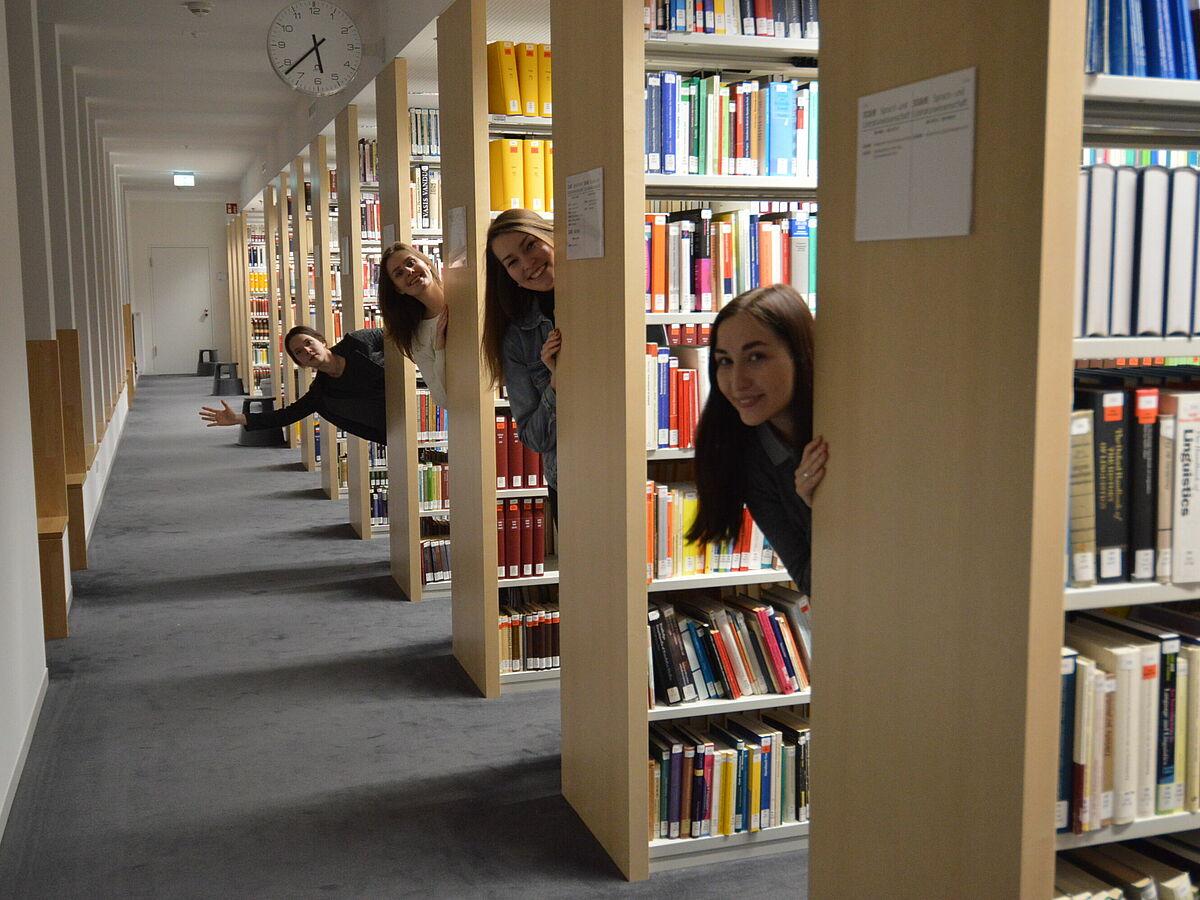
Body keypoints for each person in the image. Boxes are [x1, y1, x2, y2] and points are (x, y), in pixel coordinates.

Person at [687, 283, 828, 594]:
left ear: (800, 355)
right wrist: (818, 508)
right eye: (725, 361)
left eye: (756, 357)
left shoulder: (850, 429)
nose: (737, 383)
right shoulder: (751, 459)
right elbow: (813, 582)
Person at [482, 208, 560, 517]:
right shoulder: (518, 338)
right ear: (508, 276)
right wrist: (556, 381)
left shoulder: (607, 297)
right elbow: (534, 437)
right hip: (571, 476)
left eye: (530, 245)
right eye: (512, 262)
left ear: (551, 236)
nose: (527, 264)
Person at [198, 325, 388, 445]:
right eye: (299, 352)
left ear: (322, 341)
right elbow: (286, 416)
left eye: (309, 342)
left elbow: (397, 334)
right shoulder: (321, 393)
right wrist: (239, 418)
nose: (307, 351)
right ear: (300, 362)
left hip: (414, 394)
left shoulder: (358, 342)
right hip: (394, 425)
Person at [376, 241, 449, 409]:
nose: (409, 271)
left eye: (411, 263)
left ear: (428, 264)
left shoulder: (466, 294)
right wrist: (439, 348)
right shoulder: (419, 336)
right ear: (399, 289)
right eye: (399, 273)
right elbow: (442, 398)